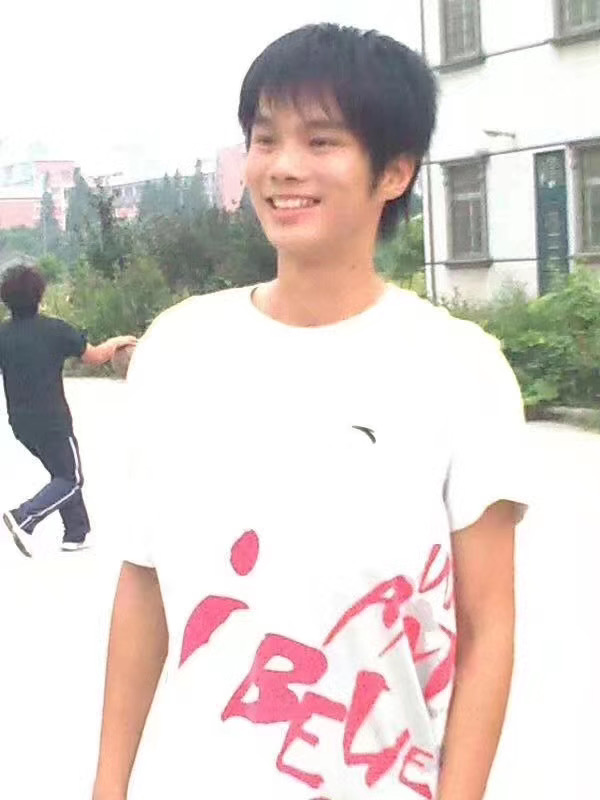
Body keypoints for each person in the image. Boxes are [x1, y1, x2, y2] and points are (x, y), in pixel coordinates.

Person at [93, 24, 528, 800]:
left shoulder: (460, 369)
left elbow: (487, 627)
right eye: (265, 139)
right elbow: (145, 585)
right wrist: (108, 787)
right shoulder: (180, 347)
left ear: (394, 172)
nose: (283, 166)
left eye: (321, 141)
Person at [0, 264, 136, 556]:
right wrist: (117, 342)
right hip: (53, 422)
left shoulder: (3, 335)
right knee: (71, 479)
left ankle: (76, 533)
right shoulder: (55, 330)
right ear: (40, 294)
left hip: (20, 424)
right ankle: (24, 517)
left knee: (60, 472)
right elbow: (95, 357)